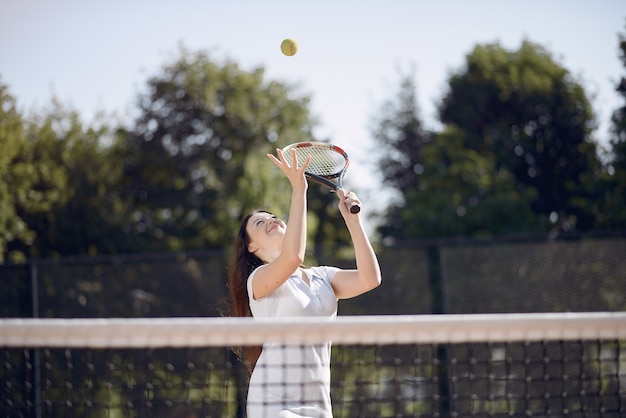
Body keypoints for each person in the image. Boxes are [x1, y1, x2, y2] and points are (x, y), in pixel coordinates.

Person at [228, 148, 382, 418]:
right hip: (274, 403)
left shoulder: (323, 277)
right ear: (251, 246)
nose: (271, 220)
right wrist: (299, 189)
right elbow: (293, 256)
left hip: (319, 407)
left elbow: (370, 278)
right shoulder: (258, 282)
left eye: (274, 217)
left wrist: (353, 221)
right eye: (259, 222)